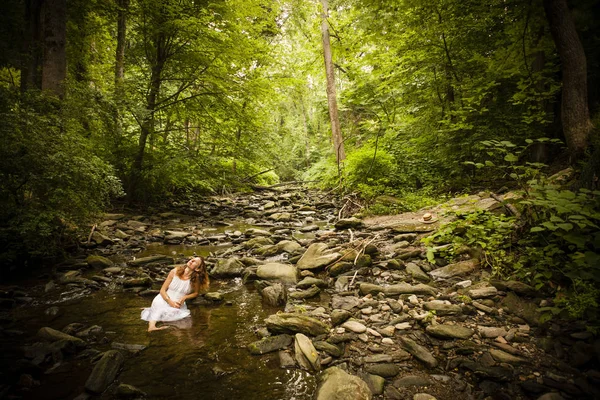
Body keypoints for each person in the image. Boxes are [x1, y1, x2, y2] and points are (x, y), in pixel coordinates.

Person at [141, 256, 209, 332]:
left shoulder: (195, 278)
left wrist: (185, 297)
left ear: (197, 268)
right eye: (191, 259)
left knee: (183, 326)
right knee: (159, 306)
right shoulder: (174, 271)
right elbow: (162, 290)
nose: (191, 260)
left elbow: (196, 293)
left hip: (178, 303)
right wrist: (169, 301)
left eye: (194, 261)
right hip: (164, 298)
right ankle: (152, 327)